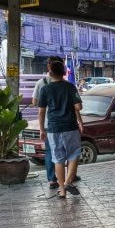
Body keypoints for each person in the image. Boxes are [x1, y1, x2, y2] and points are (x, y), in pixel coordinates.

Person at [38, 61, 84, 198]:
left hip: (53, 128)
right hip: (70, 127)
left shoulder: (45, 89)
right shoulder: (70, 87)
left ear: (50, 73)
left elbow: (41, 112)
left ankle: (62, 190)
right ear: (63, 71)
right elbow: (79, 107)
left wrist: (42, 129)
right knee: (74, 155)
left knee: (58, 159)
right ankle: (68, 182)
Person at [33, 56, 64, 188]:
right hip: (65, 123)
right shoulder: (66, 84)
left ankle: (52, 179)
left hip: (48, 124)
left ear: (48, 67)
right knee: (65, 151)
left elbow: (35, 103)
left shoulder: (41, 83)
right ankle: (68, 177)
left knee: (51, 152)